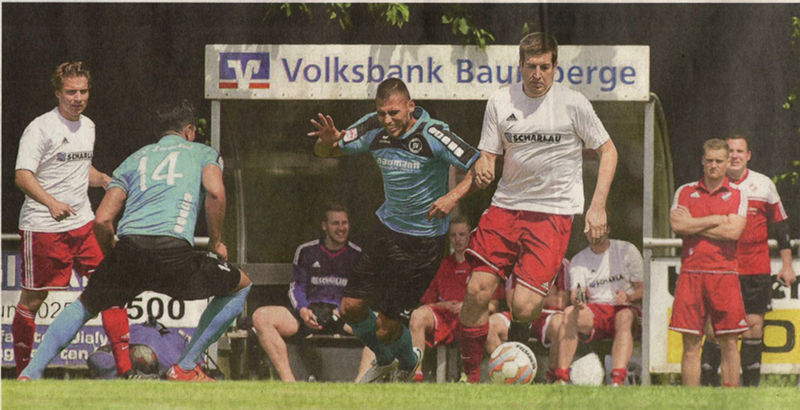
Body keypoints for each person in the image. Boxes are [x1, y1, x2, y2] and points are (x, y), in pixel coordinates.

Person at [18, 100, 252, 382]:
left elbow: (103, 219)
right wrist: (216, 241)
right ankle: (185, 367)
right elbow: (215, 192)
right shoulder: (203, 152)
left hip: (129, 250)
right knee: (241, 286)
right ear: (189, 131)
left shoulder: (135, 158)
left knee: (85, 306)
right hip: (173, 251)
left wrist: (112, 256)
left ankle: (30, 373)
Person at [457, 32, 618, 383]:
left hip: (552, 214)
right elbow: (488, 152)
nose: (538, 74)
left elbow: (608, 150)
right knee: (475, 291)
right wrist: (484, 164)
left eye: (545, 67)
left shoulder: (573, 104)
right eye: (531, 66)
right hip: (506, 208)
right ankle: (467, 379)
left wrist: (597, 206)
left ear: (555, 67)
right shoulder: (500, 101)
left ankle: (516, 371)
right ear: (520, 66)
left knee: (525, 307)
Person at [308, 77, 481, 382]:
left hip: (424, 243)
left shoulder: (434, 134)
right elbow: (329, 151)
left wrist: (451, 198)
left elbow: (480, 165)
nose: (387, 120)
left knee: (387, 327)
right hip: (386, 230)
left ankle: (407, 358)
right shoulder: (372, 126)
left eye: (394, 113)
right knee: (350, 308)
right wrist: (326, 142)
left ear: (410, 107)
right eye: (382, 113)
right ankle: (386, 361)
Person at [12, 61, 132, 378]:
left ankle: (127, 372)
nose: (78, 98)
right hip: (44, 226)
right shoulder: (41, 128)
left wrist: (104, 179)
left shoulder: (88, 126)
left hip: (83, 224)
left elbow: (79, 171)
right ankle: (25, 373)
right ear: (57, 93)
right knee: (34, 299)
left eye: (83, 91)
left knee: (111, 286)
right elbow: (23, 176)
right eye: (71, 92)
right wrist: (50, 202)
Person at [699, 135, 797, 387]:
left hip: (755, 269)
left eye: (739, 150)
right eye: (730, 150)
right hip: (720, 268)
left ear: (748, 155)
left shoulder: (763, 184)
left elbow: (780, 227)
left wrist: (787, 265)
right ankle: (707, 387)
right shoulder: (711, 184)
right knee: (713, 326)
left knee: (754, 326)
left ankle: (749, 389)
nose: (734, 155)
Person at [251, 203, 370, 382]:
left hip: (343, 316)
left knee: (382, 325)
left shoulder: (357, 254)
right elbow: (296, 287)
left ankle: (360, 385)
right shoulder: (307, 251)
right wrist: (304, 310)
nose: (341, 228)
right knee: (261, 317)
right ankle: (289, 383)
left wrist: (342, 311)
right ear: (325, 226)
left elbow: (361, 292)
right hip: (310, 314)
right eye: (335, 223)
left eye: (344, 223)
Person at [669, 138, 748, 387]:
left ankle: (731, 398)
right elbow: (678, 225)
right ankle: (692, 400)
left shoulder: (737, 193)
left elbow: (733, 232)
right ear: (703, 161)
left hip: (724, 273)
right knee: (691, 342)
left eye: (718, 161)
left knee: (729, 342)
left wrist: (695, 224)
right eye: (709, 160)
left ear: (727, 163)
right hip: (691, 272)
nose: (713, 165)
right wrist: (716, 219)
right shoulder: (684, 191)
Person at [408, 216, 502, 382]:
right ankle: (415, 376)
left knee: (489, 326)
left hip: (471, 319)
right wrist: (442, 304)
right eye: (453, 235)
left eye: (462, 234)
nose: (458, 239)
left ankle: (508, 374)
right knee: (417, 316)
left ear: (470, 236)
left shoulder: (482, 265)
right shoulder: (444, 264)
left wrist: (467, 307)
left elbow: (493, 305)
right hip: (445, 318)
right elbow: (427, 302)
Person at [553, 229, 644, 386]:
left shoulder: (626, 250)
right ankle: (562, 377)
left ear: (608, 228)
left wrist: (629, 297)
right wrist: (578, 300)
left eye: (599, 227)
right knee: (569, 313)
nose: (594, 233)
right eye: (590, 229)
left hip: (624, 308)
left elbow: (643, 289)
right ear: (585, 232)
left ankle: (617, 378)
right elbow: (577, 292)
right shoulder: (579, 259)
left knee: (625, 317)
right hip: (596, 311)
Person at [486, 258, 570, 383]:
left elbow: (560, 302)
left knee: (560, 323)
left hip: (547, 315)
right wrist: (545, 295)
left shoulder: (560, 263)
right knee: (490, 325)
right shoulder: (516, 263)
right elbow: (511, 302)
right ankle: (509, 373)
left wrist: (528, 296)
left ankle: (551, 378)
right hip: (519, 314)